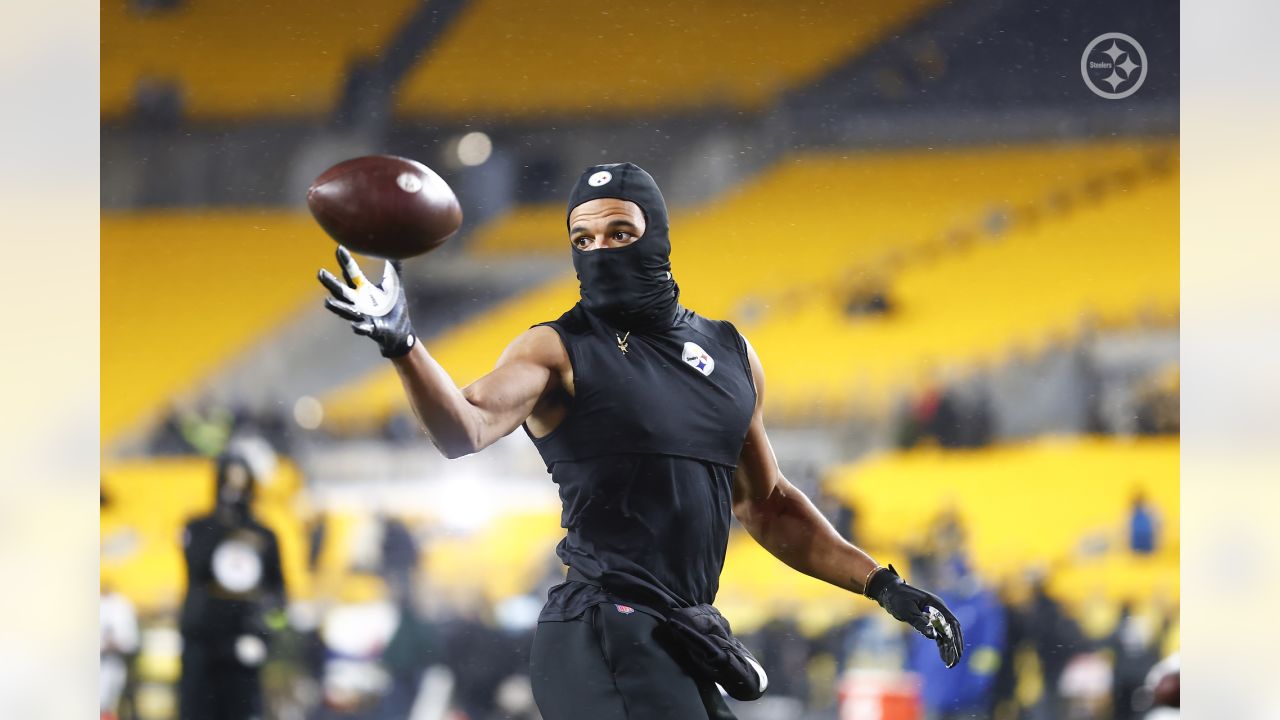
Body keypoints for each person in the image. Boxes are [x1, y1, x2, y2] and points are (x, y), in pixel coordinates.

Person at [318, 162, 964, 719]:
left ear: (656, 236)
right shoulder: (555, 347)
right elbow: (465, 429)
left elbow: (766, 505)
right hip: (600, 627)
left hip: (683, 633)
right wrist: (403, 344)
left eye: (620, 232)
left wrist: (883, 585)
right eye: (584, 238)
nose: (601, 251)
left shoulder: (731, 352)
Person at [179, 451, 286, 720]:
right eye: (228, 483)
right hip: (203, 646)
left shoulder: (265, 536)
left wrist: (264, 635)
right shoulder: (198, 528)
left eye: (241, 484)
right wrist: (223, 525)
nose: (234, 492)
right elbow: (195, 573)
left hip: (243, 643)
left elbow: (279, 595)